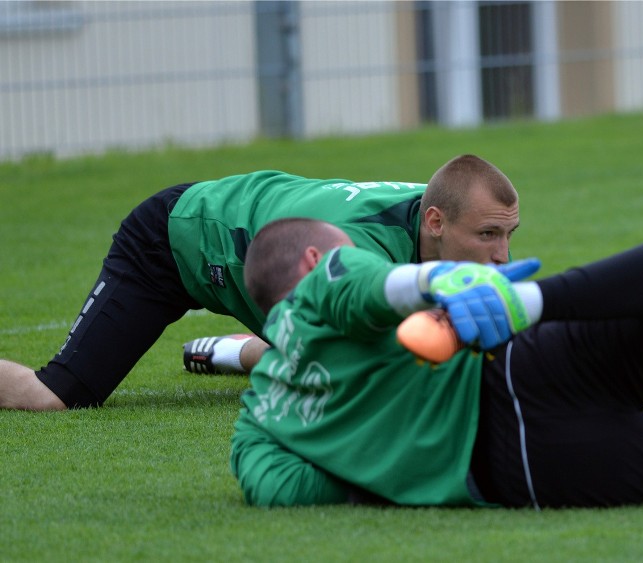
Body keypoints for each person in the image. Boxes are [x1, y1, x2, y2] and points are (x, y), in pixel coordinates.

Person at [230, 218, 643, 508]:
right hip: (528, 364)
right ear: (312, 259)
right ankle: (536, 300)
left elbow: (285, 491)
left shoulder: (254, 426)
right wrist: (438, 278)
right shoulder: (324, 282)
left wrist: (378, 457)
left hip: (528, 472)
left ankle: (535, 303)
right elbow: (365, 284)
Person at [0, 155, 520, 411]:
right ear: (434, 222)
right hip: (172, 238)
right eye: (488, 235)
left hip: (263, 249)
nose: (502, 255)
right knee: (59, 396)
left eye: (508, 234)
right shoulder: (357, 249)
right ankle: (246, 349)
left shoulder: (438, 204)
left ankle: (229, 352)